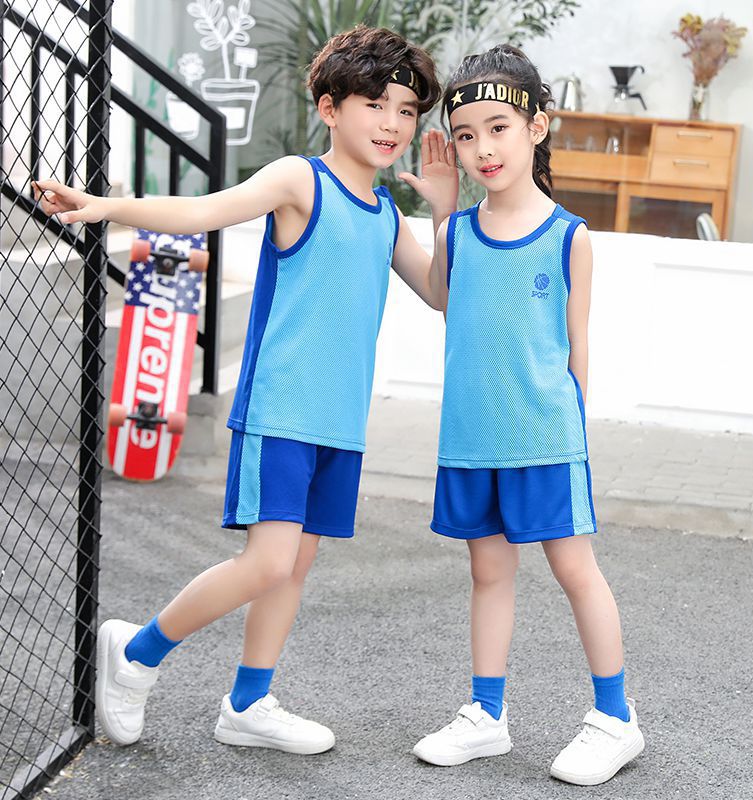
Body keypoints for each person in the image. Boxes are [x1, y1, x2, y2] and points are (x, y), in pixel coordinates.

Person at [34, 25, 458, 753]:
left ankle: (249, 702)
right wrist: (106, 208)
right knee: (267, 561)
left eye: (406, 110)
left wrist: (446, 208)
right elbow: (205, 212)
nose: (392, 123)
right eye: (375, 104)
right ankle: (136, 653)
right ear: (330, 108)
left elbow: (440, 293)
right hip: (283, 410)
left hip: (340, 421)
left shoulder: (387, 214)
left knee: (294, 565)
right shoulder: (300, 180)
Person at [408, 45, 644, 785]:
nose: (482, 147)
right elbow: (443, 299)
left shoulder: (570, 236)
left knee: (575, 570)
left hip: (543, 438)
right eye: (466, 134)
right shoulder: (459, 233)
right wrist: (441, 210)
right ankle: (487, 715)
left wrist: (573, 437)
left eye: (498, 128)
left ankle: (615, 719)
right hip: (471, 438)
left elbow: (577, 349)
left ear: (537, 127)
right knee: (488, 573)